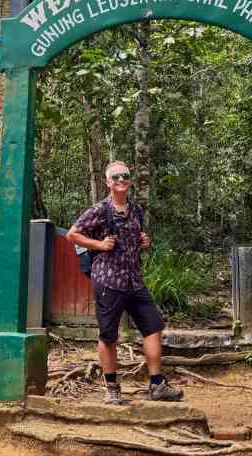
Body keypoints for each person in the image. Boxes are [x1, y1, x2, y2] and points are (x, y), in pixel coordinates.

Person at [67, 161, 183, 405]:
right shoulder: (100, 209)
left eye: (125, 176)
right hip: (108, 281)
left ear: (129, 181)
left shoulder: (136, 211)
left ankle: (157, 384)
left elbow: (136, 237)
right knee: (109, 336)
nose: (121, 180)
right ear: (108, 182)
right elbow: (72, 234)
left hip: (134, 281)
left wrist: (143, 241)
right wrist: (99, 245)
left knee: (153, 326)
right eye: (115, 177)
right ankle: (111, 388)